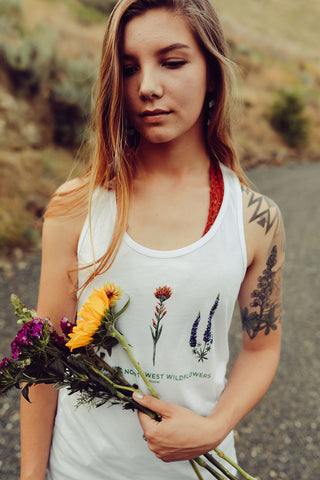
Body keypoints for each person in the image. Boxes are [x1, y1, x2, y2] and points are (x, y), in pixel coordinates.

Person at [20, 1, 285, 479]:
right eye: (128, 68)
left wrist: (216, 426)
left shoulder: (254, 217)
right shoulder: (75, 207)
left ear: (212, 73)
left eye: (173, 61)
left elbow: (262, 347)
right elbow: (47, 359)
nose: (147, 87)